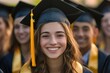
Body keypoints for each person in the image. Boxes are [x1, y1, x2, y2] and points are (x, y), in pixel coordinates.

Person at [20, 0, 92, 73]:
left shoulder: (82, 72)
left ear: (67, 38)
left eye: (59, 35)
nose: (53, 42)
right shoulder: (26, 71)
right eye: (45, 36)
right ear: (38, 39)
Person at [0, 1, 35, 73]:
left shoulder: (42, 58)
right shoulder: (6, 61)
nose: (21, 31)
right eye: (17, 27)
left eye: (25, 27)